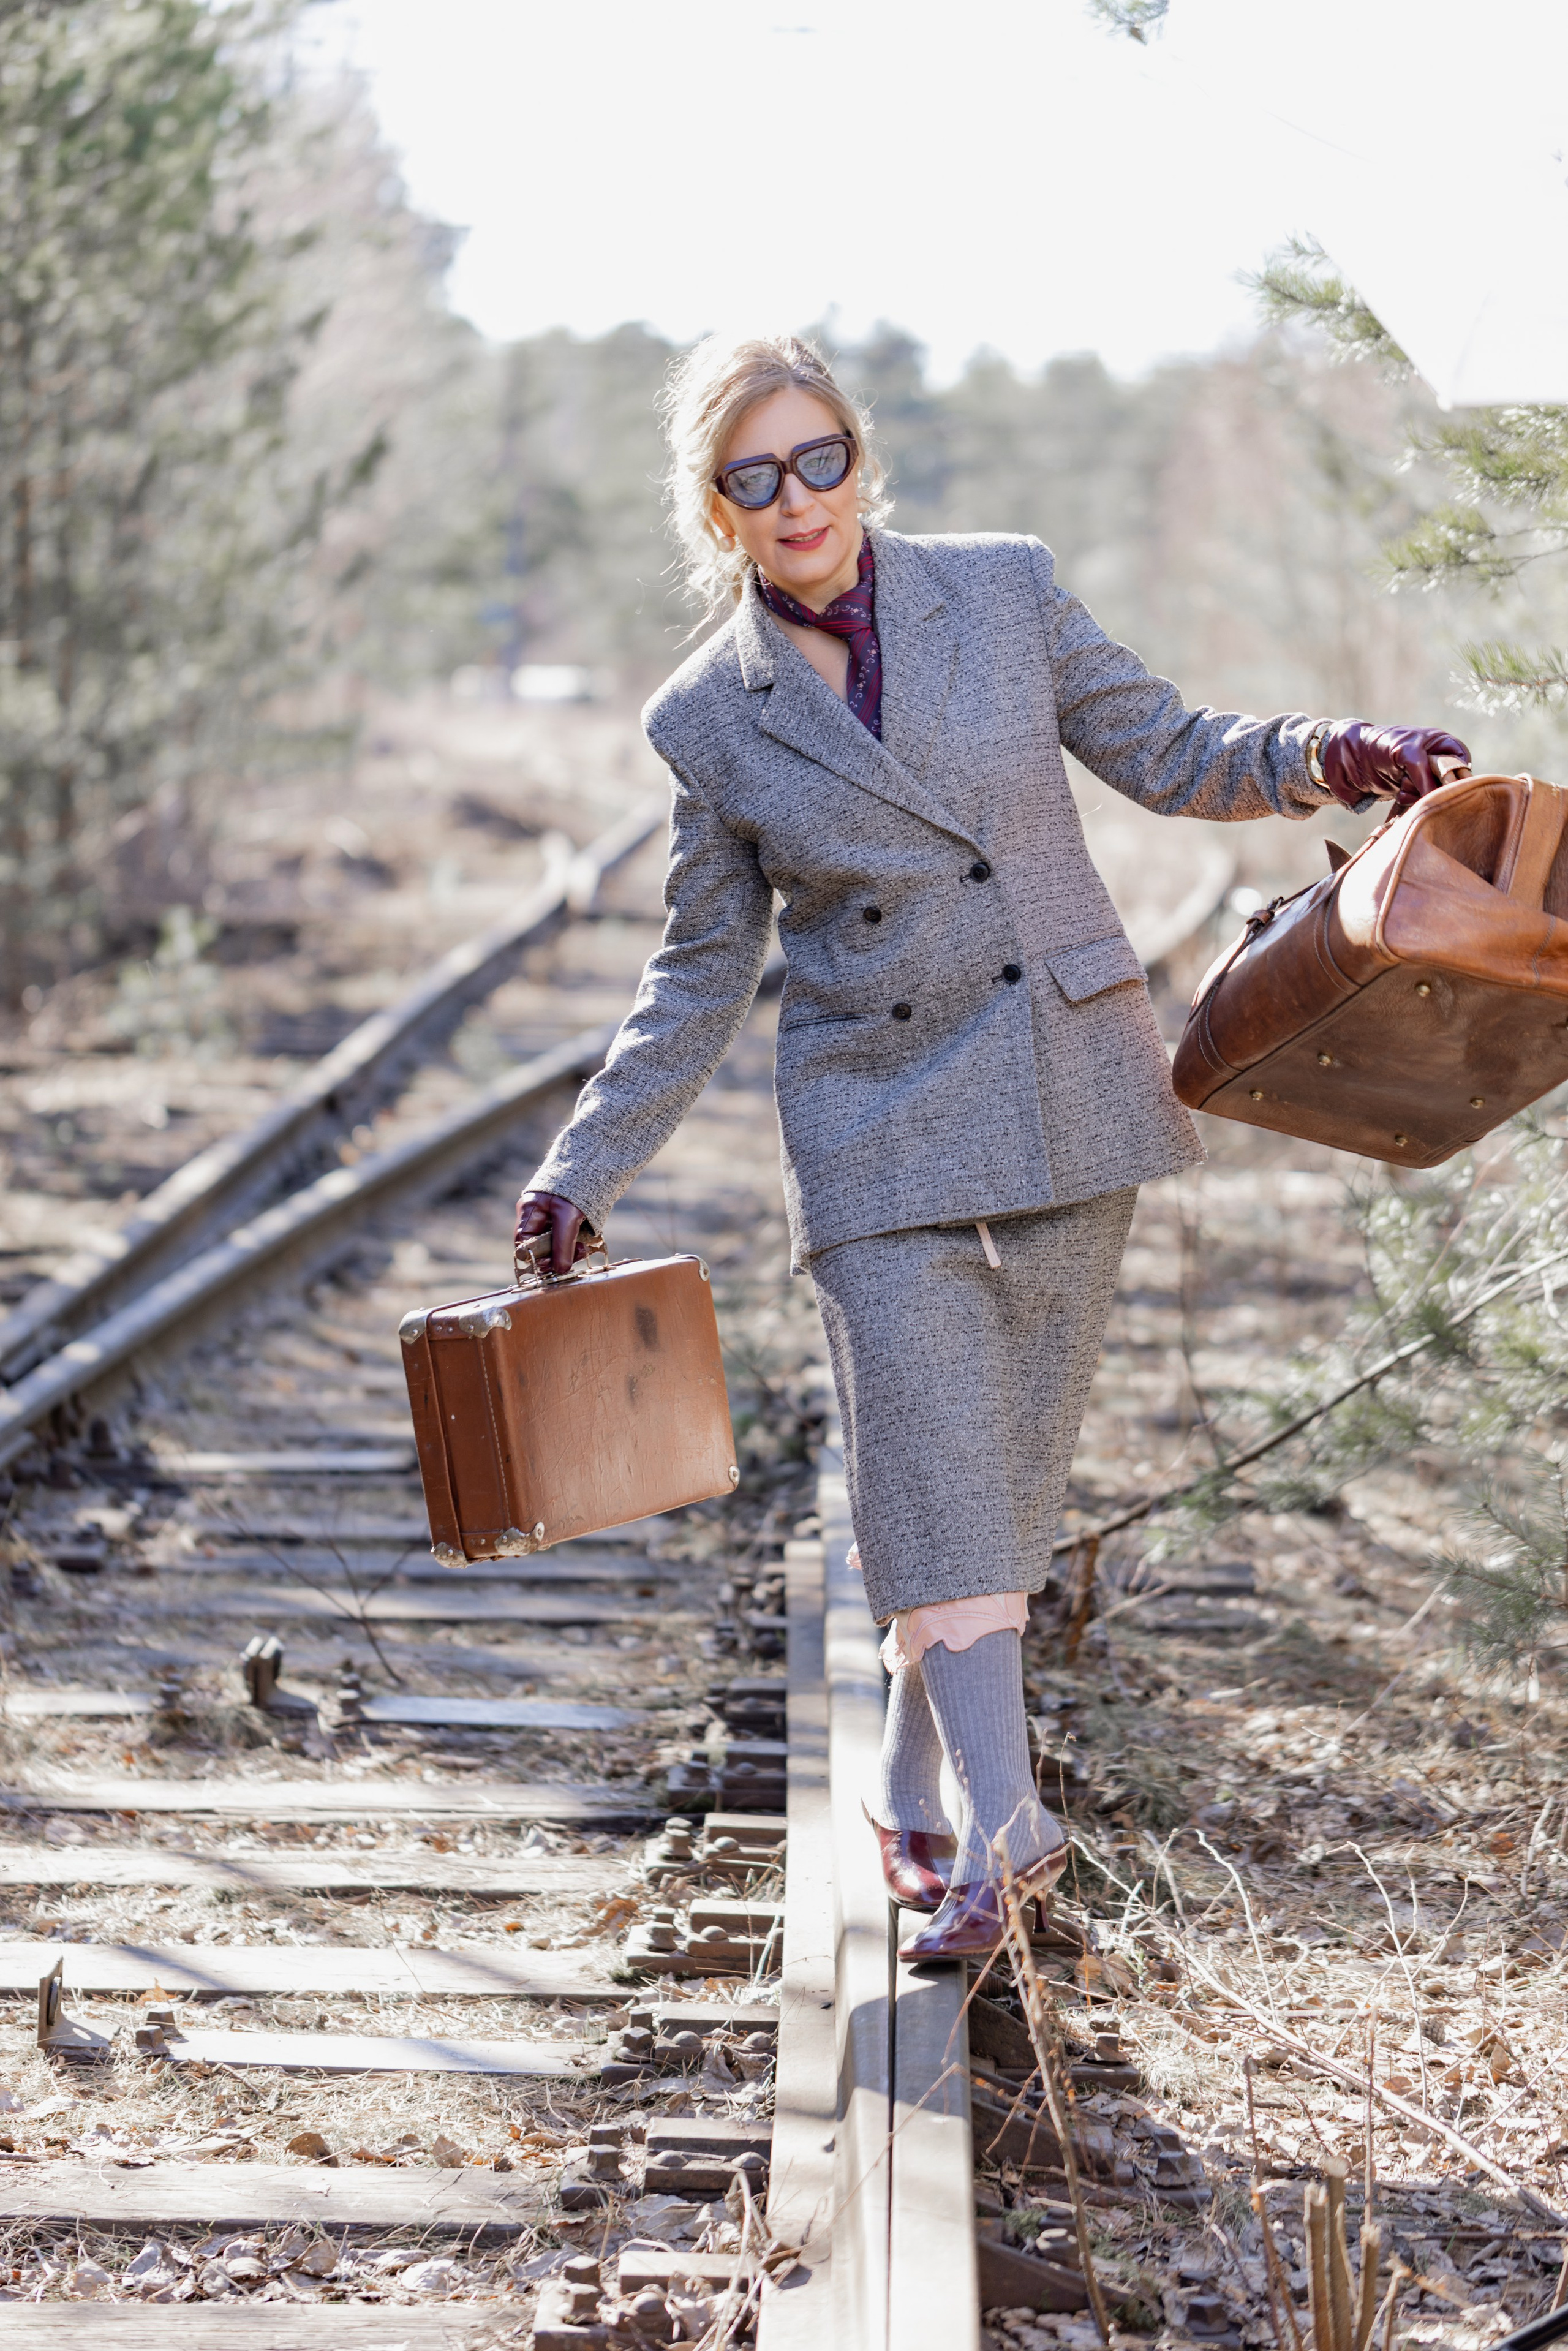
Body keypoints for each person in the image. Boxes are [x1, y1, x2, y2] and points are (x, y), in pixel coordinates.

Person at [515, 332, 1469, 1961]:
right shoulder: (712, 719)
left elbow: (1173, 751)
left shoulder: (1004, 592)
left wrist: (1333, 754)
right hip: (873, 1120)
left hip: (1061, 1072)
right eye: (756, 477)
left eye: (819, 458)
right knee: (935, 1464)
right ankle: (1012, 1833)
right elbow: (700, 974)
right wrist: (581, 1166)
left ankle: (914, 1777)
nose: (798, 496)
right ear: (717, 509)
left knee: (996, 1497)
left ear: (859, 459)